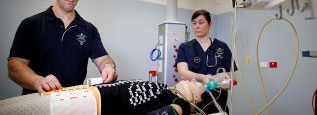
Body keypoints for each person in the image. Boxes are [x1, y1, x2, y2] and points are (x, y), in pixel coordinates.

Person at [7, 0, 118, 95]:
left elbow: (103, 59)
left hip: (74, 102)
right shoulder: (31, 24)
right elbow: (14, 67)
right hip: (37, 101)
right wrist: (38, 81)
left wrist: (109, 67)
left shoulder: (89, 29)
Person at [0, 79, 205, 115]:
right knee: (9, 106)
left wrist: (181, 107)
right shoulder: (164, 88)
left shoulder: (175, 105)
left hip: (86, 106)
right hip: (83, 92)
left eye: (195, 86)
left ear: (196, 99)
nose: (190, 81)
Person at [175, 9, 237, 114]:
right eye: (194, 23)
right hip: (192, 104)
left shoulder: (222, 47)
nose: (197, 26)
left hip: (217, 105)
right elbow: (183, 73)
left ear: (209, 24)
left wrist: (216, 81)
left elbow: (231, 78)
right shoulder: (185, 47)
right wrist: (204, 78)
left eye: (201, 22)